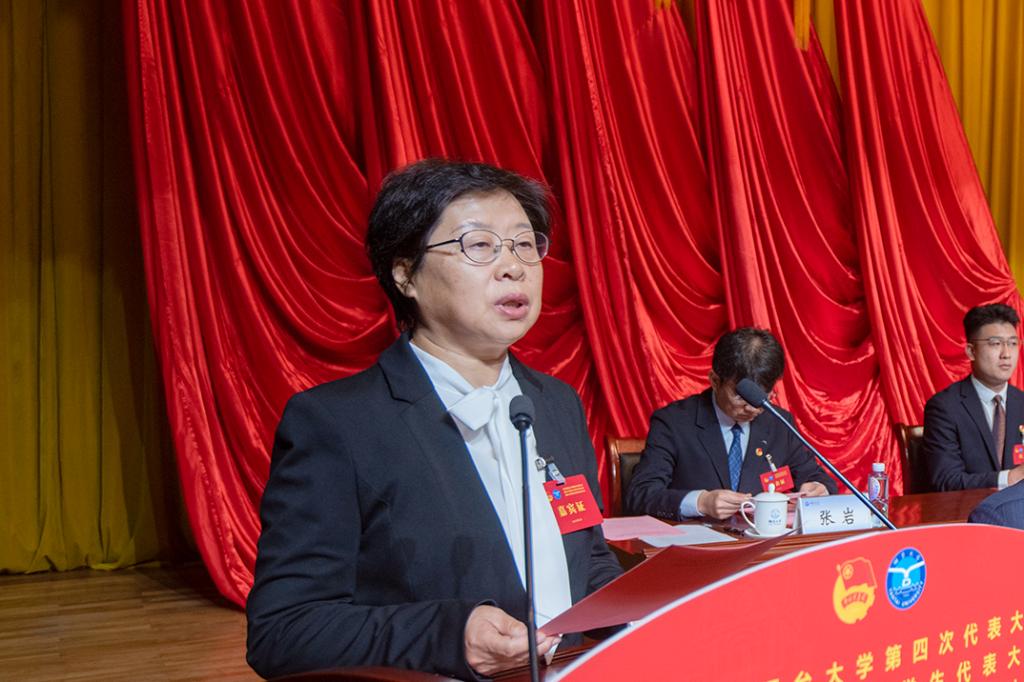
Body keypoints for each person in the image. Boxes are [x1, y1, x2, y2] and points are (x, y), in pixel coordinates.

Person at [245, 159, 622, 680]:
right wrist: (447, 635)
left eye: (524, 244)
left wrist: (648, 608)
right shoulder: (337, 423)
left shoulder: (556, 402)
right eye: (480, 245)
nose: (513, 267)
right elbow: (283, 632)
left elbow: (587, 555)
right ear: (406, 273)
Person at [625, 327, 836, 521]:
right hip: (698, 543)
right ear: (715, 381)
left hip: (762, 540)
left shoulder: (779, 423)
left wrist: (818, 488)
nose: (752, 408)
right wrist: (700, 502)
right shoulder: (674, 422)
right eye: (741, 396)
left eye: (763, 397)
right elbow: (640, 494)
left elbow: (816, 477)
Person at [924, 303, 1024, 491]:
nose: (1006, 354)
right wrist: (1010, 478)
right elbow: (946, 481)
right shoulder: (945, 407)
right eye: (995, 344)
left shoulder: (1022, 403)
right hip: (969, 508)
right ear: (971, 351)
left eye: (1012, 343)